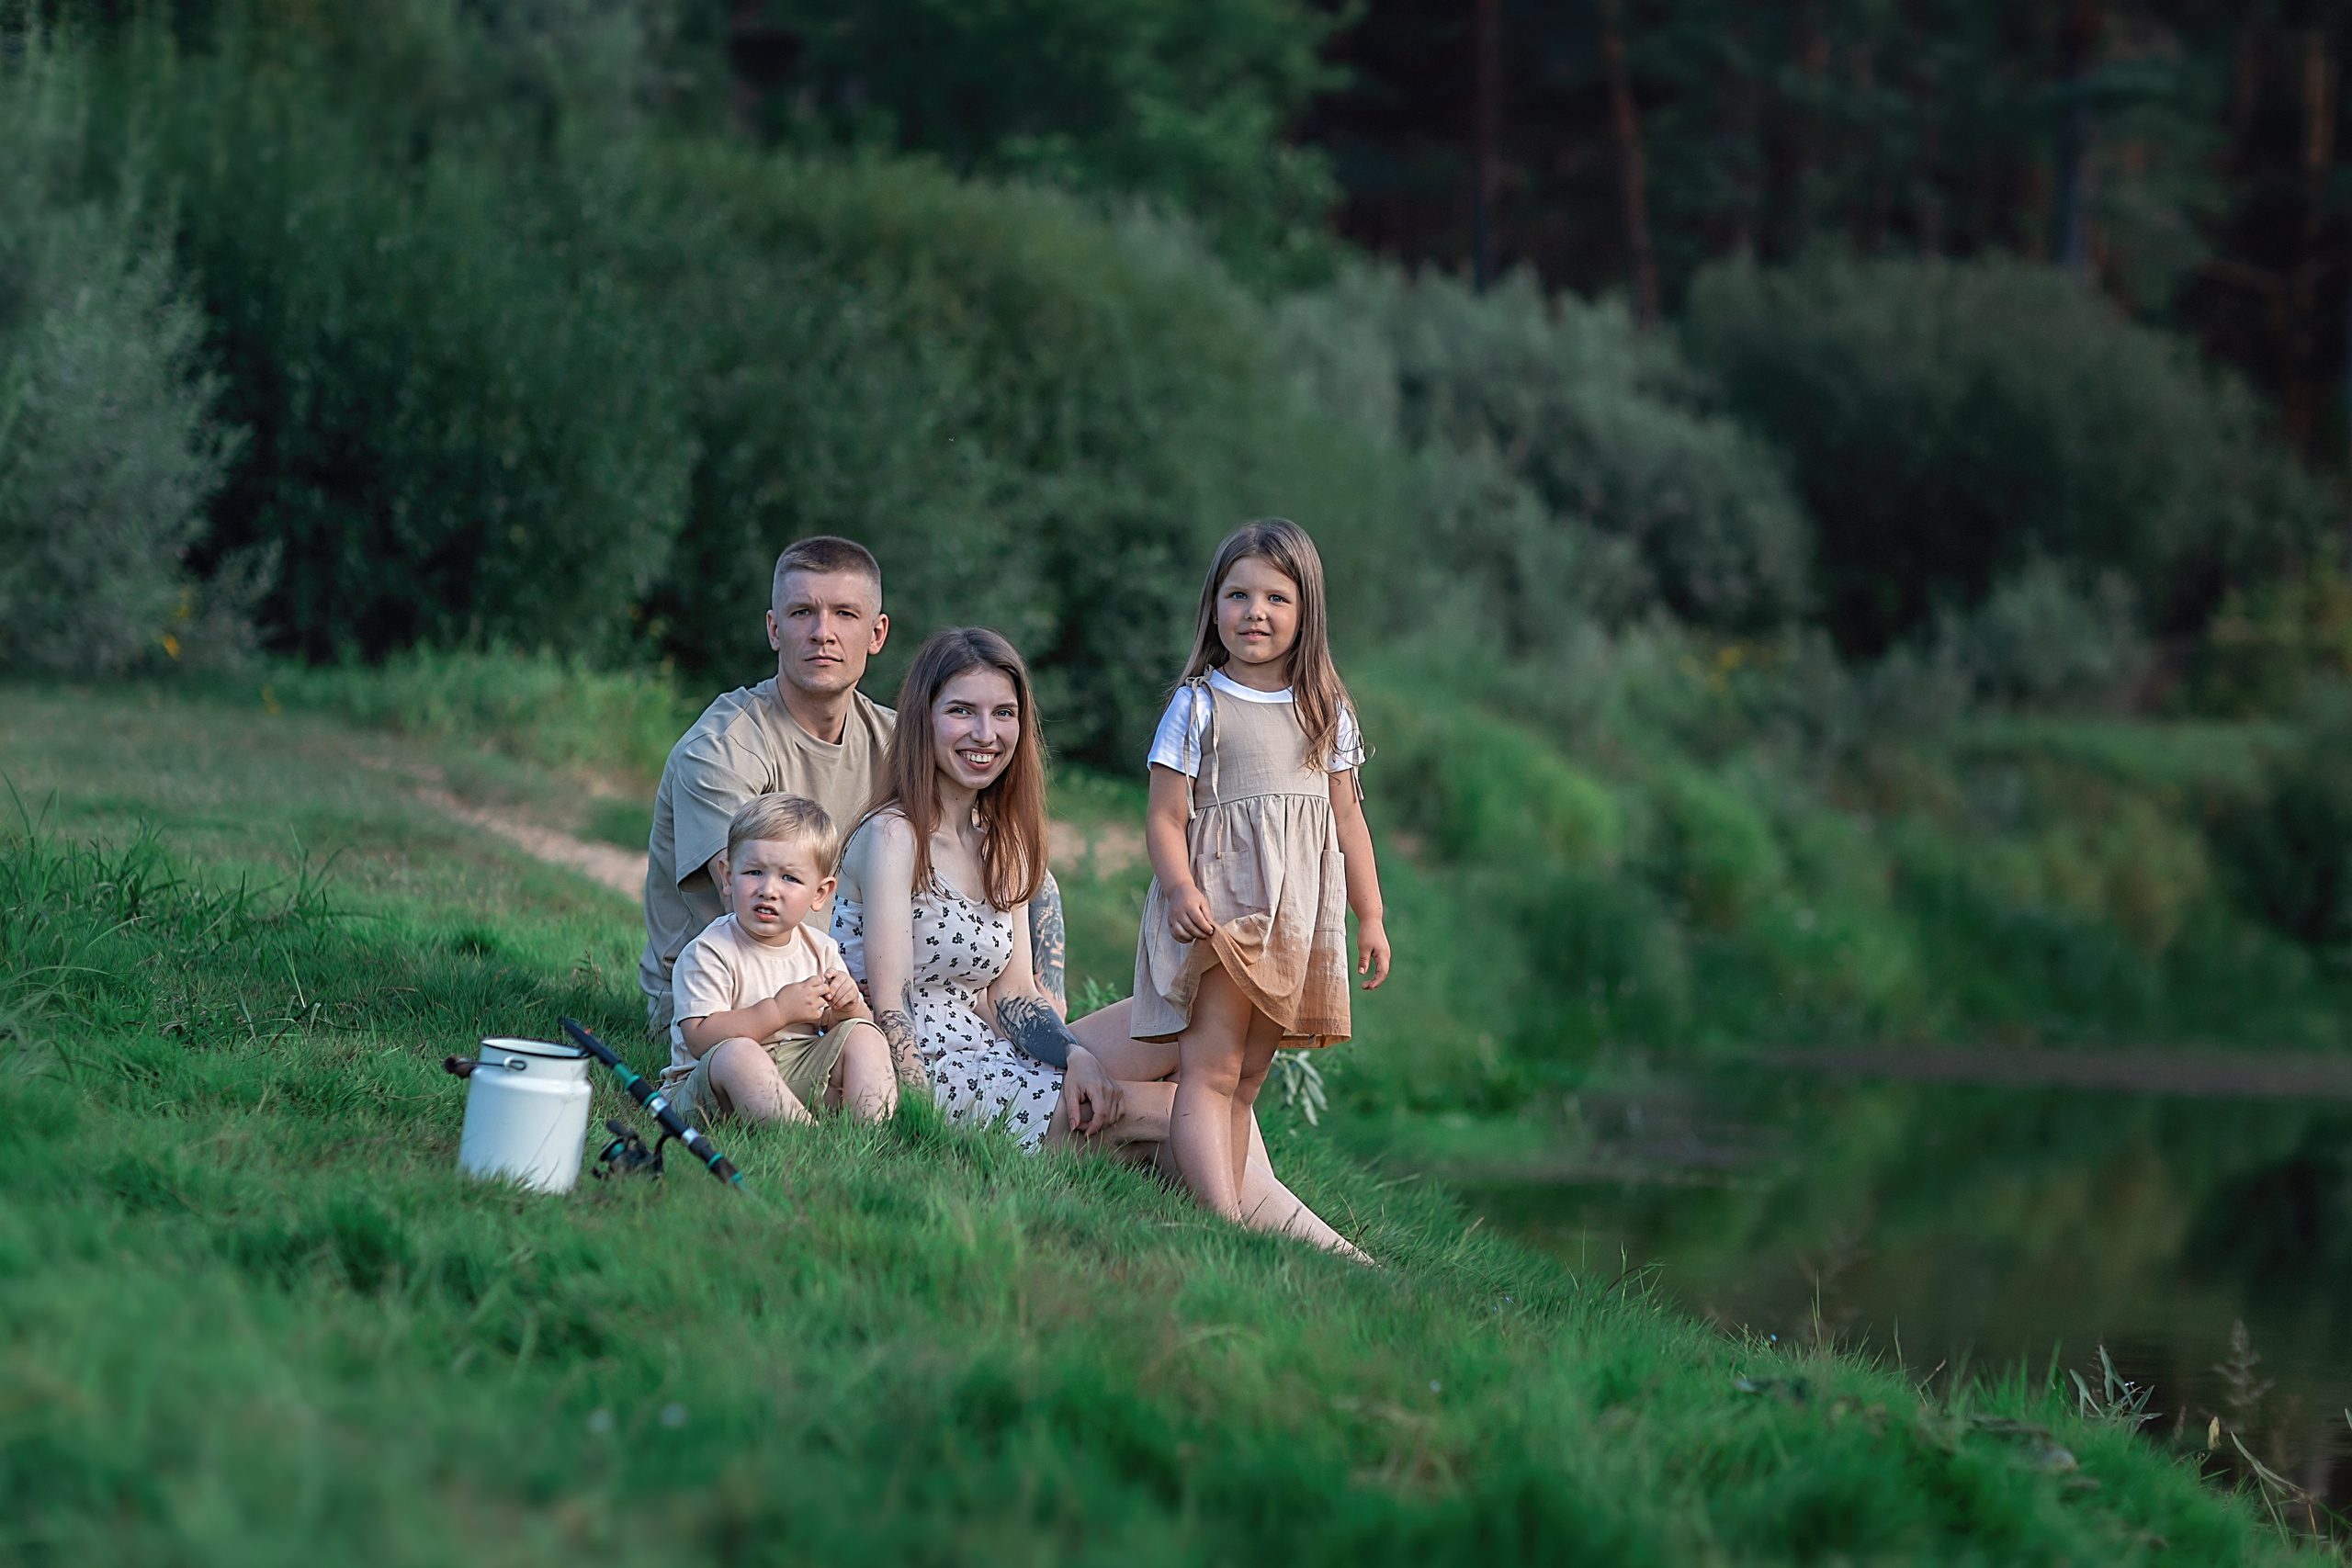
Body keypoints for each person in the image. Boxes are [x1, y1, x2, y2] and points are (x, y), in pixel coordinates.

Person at [638, 535, 1070, 1032]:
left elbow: (998, 857)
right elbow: (754, 903)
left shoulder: (897, 740)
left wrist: (1040, 998)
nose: (823, 633)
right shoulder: (722, 750)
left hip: (869, 998)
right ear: (774, 629)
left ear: (877, 633)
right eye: (803, 613)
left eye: (845, 614)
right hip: (733, 1012)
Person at [1131, 519, 1391, 1225]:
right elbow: (1164, 816)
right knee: (1210, 1070)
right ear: (1214, 606)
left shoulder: (1325, 710)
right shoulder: (1198, 704)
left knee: (1245, 1079)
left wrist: (1370, 915)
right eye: (1238, 595)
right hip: (1219, 913)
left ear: (1306, 611)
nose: (1256, 612)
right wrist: (1180, 888)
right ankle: (1218, 1220)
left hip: (1292, 921)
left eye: (1277, 598)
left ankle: (1224, 1216)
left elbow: (1348, 821)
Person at [831, 628, 1130, 1148]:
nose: (986, 734)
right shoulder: (893, 835)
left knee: (1177, 1030)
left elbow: (1014, 994)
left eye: (1004, 713)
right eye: (962, 711)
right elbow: (891, 1004)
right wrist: (919, 1121)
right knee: (1163, 1113)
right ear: (924, 718)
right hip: (925, 1071)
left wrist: (1075, 1054)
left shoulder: (1003, 843)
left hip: (987, 1050)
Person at [665, 795, 896, 1127]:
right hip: (712, 1090)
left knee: (865, 1035)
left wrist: (848, 1009)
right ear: (728, 877)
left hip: (794, 1071)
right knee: (738, 1053)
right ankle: (805, 1140)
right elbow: (700, 1039)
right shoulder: (710, 951)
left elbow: (836, 1025)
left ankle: (869, 1136)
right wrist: (778, 1011)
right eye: (754, 872)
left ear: (820, 894)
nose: (768, 889)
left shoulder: (820, 949)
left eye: (789, 878)